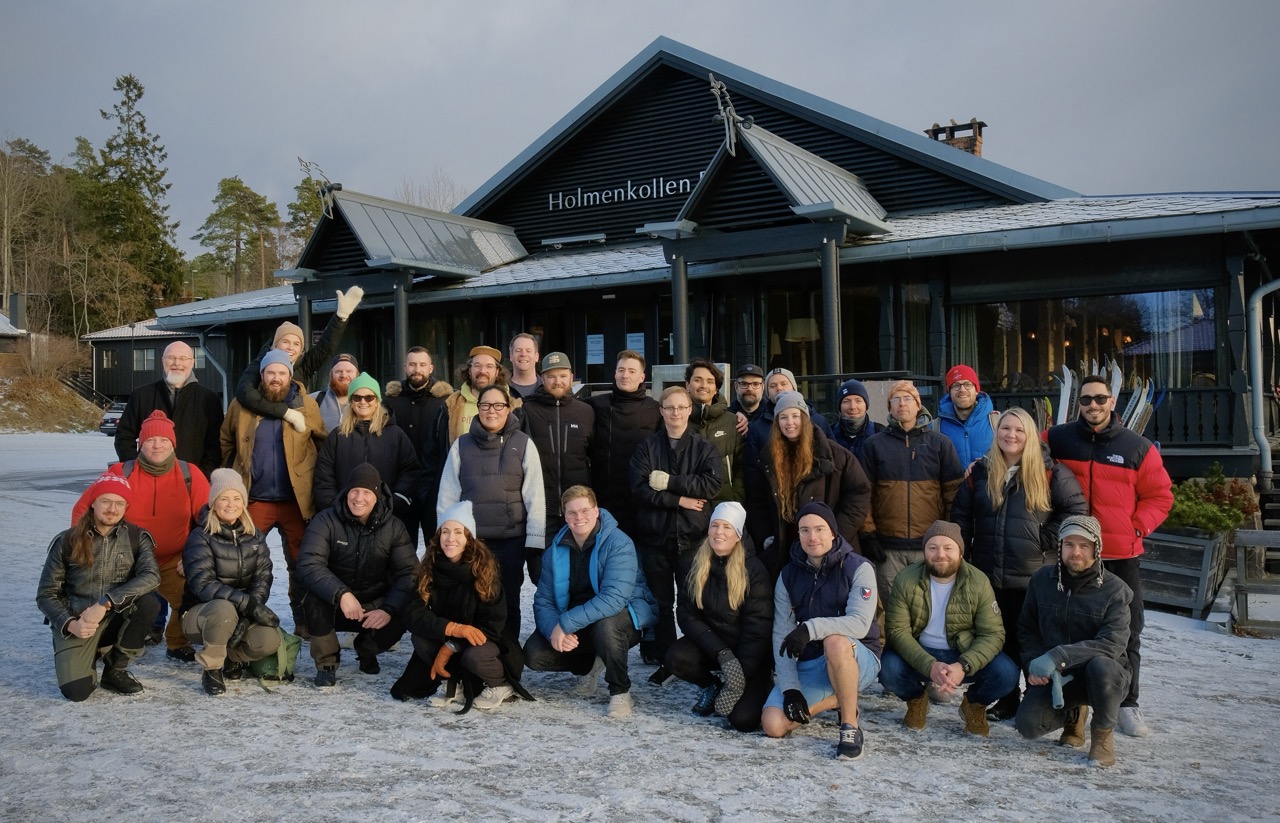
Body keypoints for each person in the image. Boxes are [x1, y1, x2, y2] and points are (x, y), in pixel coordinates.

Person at [1045, 374, 1173, 737]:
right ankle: (1071, 704)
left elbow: (1161, 496)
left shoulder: (1137, 447)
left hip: (1119, 553)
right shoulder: (1059, 438)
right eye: (1086, 400)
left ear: (1112, 401)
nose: (1093, 406)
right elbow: (1021, 448)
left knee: (1128, 629)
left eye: (1100, 399)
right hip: (1071, 551)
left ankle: (1127, 703)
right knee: (1065, 625)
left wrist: (1136, 527)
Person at [950, 406, 1088, 720]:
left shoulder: (1052, 472)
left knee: (1032, 642)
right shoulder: (981, 472)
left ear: (1029, 435)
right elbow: (960, 517)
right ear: (996, 433)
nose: (1011, 435)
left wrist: (1043, 539)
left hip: (1033, 577)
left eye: (1018, 430)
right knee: (1001, 641)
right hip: (989, 576)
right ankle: (1008, 698)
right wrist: (965, 556)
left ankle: (1039, 700)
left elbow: (1077, 513)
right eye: (1005, 429)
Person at [73, 410, 210, 664]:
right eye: (150, 440)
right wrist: (90, 547)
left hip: (173, 559)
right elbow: (83, 509)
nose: (157, 445)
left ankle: (178, 643)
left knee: (190, 594)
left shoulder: (190, 474)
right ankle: (106, 643)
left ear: (173, 444)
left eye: (163, 441)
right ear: (140, 443)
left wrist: (193, 555)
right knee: (112, 600)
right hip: (127, 558)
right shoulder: (120, 472)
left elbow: (208, 519)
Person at [524, 485, 658, 719]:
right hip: (579, 623)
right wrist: (552, 629)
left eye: (585, 510)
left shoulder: (619, 543)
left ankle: (620, 691)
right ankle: (591, 664)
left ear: (596, 511)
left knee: (606, 627)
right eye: (572, 513)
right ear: (565, 516)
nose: (579, 517)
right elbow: (543, 600)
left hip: (621, 618)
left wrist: (565, 623)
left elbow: (614, 598)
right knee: (535, 654)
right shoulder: (555, 550)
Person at [878, 520, 1020, 737]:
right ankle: (916, 698)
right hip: (920, 652)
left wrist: (963, 665)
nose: (940, 554)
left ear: (960, 553)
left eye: (948, 548)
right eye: (932, 548)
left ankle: (974, 703)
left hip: (963, 653)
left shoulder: (978, 582)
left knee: (1007, 673)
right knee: (889, 670)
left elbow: (993, 634)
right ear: (924, 552)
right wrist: (929, 665)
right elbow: (897, 632)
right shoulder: (906, 579)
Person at [761, 502, 880, 760]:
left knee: (835, 642)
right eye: (804, 530)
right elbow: (782, 634)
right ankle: (837, 699)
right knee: (773, 724)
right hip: (811, 661)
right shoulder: (788, 575)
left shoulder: (859, 568)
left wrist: (810, 628)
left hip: (857, 658)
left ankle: (850, 726)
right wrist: (790, 688)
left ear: (833, 533)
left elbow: (859, 623)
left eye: (819, 529)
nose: (812, 537)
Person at [220, 350, 326, 636]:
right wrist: (230, 480)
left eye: (282, 373)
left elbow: (322, 442)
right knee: (243, 561)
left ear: (290, 376)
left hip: (296, 501)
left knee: (301, 562)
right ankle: (244, 617)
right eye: (271, 373)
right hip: (255, 499)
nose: (276, 378)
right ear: (262, 375)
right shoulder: (242, 404)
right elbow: (226, 441)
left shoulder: (305, 405)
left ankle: (303, 619)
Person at [391, 501, 533, 711]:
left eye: (458, 532)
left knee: (474, 655)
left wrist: (451, 646)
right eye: (445, 531)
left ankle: (500, 683)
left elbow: (494, 626)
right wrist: (453, 629)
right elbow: (413, 612)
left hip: (491, 640)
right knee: (420, 638)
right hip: (454, 634)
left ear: (469, 538)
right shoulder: (430, 568)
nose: (450, 538)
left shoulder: (485, 572)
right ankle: (453, 681)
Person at [1015, 515, 1132, 769]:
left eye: (1084, 545)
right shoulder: (1042, 580)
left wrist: (1057, 656)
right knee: (1028, 726)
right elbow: (1027, 628)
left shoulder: (1115, 590)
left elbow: (1112, 642)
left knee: (1102, 666)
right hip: (1058, 678)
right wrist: (1034, 662)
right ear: (1060, 547)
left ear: (1096, 548)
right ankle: (1074, 713)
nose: (1076, 552)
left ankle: (1102, 735)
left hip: (1103, 677)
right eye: (1069, 544)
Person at [37, 473, 161, 701]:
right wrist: (69, 623)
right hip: (79, 621)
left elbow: (151, 576)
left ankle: (116, 669)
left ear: (126, 507)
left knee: (148, 602)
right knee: (77, 692)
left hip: (114, 615)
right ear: (93, 502)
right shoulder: (67, 540)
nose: (112, 509)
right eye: (106, 501)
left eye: (119, 503)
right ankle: (87, 653)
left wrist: (106, 602)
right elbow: (46, 594)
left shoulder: (137, 537)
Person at [437, 383, 545, 643]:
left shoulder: (523, 444)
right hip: (472, 543)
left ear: (508, 409)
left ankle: (507, 660)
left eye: (498, 405)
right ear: (478, 409)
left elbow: (535, 494)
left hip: (511, 540)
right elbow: (447, 496)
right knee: (470, 600)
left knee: (507, 601)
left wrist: (535, 538)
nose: (491, 411)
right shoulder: (461, 445)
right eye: (485, 405)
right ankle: (470, 657)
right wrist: (445, 535)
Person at [297, 463, 418, 686]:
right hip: (337, 604)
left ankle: (367, 648)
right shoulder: (325, 521)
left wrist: (388, 609)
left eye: (366, 492)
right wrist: (341, 594)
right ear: (346, 492)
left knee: (407, 608)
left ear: (377, 496)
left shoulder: (395, 527)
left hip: (375, 605)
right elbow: (309, 563)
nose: (359, 498)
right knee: (314, 599)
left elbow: (409, 573)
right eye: (354, 491)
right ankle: (326, 663)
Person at [629, 385, 723, 669]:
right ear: (661, 410)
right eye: (669, 407)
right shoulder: (647, 447)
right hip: (655, 537)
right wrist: (680, 499)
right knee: (660, 602)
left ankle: (695, 653)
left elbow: (712, 484)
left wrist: (668, 482)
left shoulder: (703, 447)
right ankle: (665, 653)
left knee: (693, 600)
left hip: (692, 537)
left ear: (689, 410)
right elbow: (639, 489)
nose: (676, 413)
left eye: (681, 407)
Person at [665, 502, 773, 732]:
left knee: (743, 720)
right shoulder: (695, 563)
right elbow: (685, 613)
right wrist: (721, 653)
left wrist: (738, 676)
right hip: (715, 648)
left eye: (727, 527)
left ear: (738, 535)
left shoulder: (754, 570)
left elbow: (758, 629)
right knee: (677, 657)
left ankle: (760, 685)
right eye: (715, 525)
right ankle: (711, 685)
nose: (719, 532)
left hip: (749, 655)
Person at [745, 391, 871, 579]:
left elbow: (859, 492)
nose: (790, 423)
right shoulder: (768, 457)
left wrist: (836, 532)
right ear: (776, 422)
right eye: (783, 417)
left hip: (830, 548)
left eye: (795, 416)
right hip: (784, 547)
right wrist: (765, 535)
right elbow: (757, 500)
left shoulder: (834, 454)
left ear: (805, 418)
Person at [858, 380, 965, 595]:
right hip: (888, 548)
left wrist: (950, 537)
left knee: (929, 606)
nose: (902, 404)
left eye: (908, 398)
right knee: (892, 608)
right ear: (889, 407)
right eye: (895, 399)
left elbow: (953, 496)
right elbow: (864, 494)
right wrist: (868, 534)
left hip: (930, 546)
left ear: (918, 405)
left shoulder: (940, 444)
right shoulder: (873, 445)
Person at [179, 469, 281, 696]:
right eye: (224, 498)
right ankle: (212, 668)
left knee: (269, 639)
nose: (230, 504)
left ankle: (231, 659)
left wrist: (247, 615)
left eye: (237, 498)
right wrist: (247, 605)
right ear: (214, 502)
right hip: (201, 614)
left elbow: (263, 577)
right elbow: (203, 584)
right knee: (223, 608)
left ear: (244, 502)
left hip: (239, 613)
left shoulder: (254, 535)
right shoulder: (201, 536)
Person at [233, 287, 363, 432]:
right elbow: (244, 392)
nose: (290, 348)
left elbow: (325, 347)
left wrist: (341, 317)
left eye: (296, 344)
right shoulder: (262, 364)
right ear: (275, 344)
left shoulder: (304, 367)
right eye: (285, 342)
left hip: (294, 438)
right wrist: (286, 413)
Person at [518, 351, 595, 569]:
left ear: (571, 377)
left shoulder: (586, 412)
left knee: (580, 569)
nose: (557, 381)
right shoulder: (527, 410)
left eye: (562, 375)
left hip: (578, 509)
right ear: (542, 378)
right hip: (542, 508)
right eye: (551, 376)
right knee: (540, 570)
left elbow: (595, 455)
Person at [312, 372, 420, 525]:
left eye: (369, 397)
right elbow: (323, 477)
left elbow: (410, 471)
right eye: (357, 397)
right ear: (351, 401)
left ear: (377, 401)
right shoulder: (337, 436)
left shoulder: (396, 435)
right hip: (343, 520)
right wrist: (336, 508)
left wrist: (395, 503)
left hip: (387, 519)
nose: (363, 401)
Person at [115, 340, 224, 478]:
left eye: (183, 358)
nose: (177, 363)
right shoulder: (142, 396)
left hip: (192, 482)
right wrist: (136, 469)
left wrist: (202, 476)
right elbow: (124, 437)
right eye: (171, 358)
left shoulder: (209, 399)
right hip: (147, 479)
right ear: (162, 361)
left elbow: (215, 443)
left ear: (192, 362)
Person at [585, 349, 661, 538]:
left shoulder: (655, 409)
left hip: (642, 502)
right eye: (621, 370)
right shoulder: (596, 405)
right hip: (604, 502)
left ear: (642, 376)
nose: (625, 375)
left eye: (632, 371)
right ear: (615, 373)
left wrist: (738, 414)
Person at [383, 345, 454, 546]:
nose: (417, 369)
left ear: (431, 368)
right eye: (413, 364)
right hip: (400, 485)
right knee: (401, 546)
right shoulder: (390, 401)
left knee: (437, 545)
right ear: (405, 367)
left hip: (434, 485)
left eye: (422, 365)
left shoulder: (445, 401)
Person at [685, 358, 744, 505]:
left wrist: (735, 499)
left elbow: (741, 467)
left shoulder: (733, 421)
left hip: (724, 508)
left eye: (710, 381)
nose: (704, 385)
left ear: (716, 388)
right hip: (688, 508)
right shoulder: (676, 420)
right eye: (698, 380)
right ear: (687, 384)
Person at [938, 365, 997, 467]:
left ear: (976, 390)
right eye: (956, 385)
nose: (962, 390)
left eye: (967, 384)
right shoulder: (935, 427)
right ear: (949, 392)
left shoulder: (997, 423)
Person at [829, 379, 881, 460]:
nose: (852, 407)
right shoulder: (829, 434)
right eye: (846, 401)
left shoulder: (879, 432)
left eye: (858, 401)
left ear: (866, 406)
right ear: (840, 406)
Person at [310, 353, 359, 432]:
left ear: (357, 375)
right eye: (338, 371)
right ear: (330, 375)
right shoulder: (314, 399)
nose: (343, 375)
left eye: (349, 371)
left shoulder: (367, 402)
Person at [729, 363, 766, 435]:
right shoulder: (726, 417)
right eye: (744, 384)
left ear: (763, 387)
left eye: (755, 384)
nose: (750, 389)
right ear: (736, 387)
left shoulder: (773, 417)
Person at [507, 332, 541, 398]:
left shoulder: (547, 388)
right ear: (511, 356)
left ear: (536, 357)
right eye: (518, 350)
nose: (523, 354)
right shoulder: (500, 388)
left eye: (528, 351)